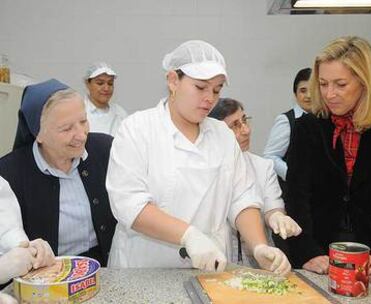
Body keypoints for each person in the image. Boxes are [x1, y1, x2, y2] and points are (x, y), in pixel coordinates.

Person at [106, 40, 291, 275]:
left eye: (217, 89)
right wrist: (189, 235)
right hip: (146, 269)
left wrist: (259, 246)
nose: (210, 98)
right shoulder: (137, 129)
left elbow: (242, 197)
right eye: (200, 87)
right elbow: (130, 204)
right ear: (173, 80)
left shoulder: (222, 135)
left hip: (210, 268)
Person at [286, 36, 371, 276]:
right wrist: (307, 252)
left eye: (340, 84)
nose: (330, 94)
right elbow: (297, 197)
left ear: (365, 82)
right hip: (320, 255)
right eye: (323, 84)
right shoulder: (308, 128)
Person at [0, 79, 117, 266]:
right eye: (66, 128)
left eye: (83, 121)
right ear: (38, 133)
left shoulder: (106, 150)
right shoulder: (9, 175)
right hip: (49, 279)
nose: (81, 135)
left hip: (107, 269)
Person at [208, 97, 302, 265]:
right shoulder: (206, 169)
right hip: (217, 261)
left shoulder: (262, 166)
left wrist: (277, 217)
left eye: (245, 121)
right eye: (235, 125)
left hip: (258, 262)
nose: (246, 130)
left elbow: (272, 208)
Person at [263, 68, 312, 195]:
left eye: (313, 90)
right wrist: (293, 176)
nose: (308, 95)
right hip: (294, 194)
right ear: (295, 94)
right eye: (303, 90)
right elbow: (270, 156)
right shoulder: (286, 121)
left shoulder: (325, 119)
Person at [84, 62, 128, 136]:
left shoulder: (120, 114)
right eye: (100, 83)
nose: (106, 88)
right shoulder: (78, 111)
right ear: (88, 84)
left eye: (110, 83)